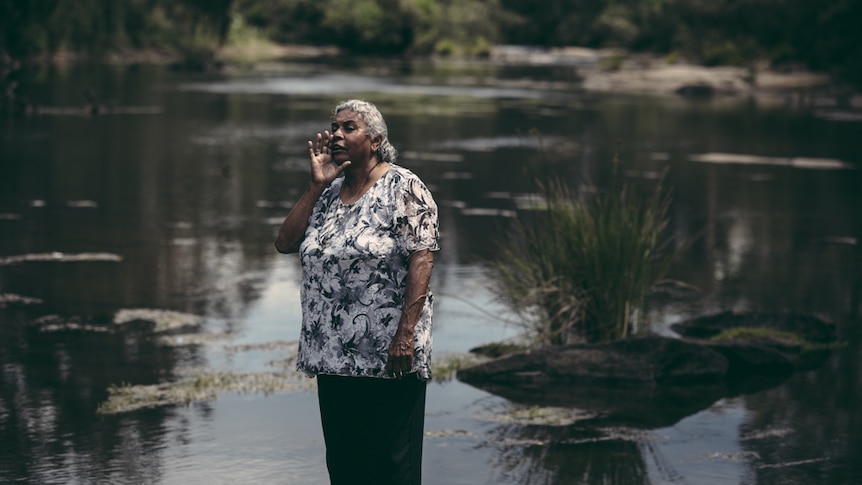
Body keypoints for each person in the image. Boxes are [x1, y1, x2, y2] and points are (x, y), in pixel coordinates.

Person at [274, 99, 439, 485]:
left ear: (376, 139)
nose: (336, 135)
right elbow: (285, 242)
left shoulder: (404, 186)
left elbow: (422, 258)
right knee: (346, 467)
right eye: (334, 127)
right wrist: (315, 185)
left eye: (348, 127)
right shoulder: (328, 194)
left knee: (391, 467)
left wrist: (406, 334)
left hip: (387, 357)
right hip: (333, 355)